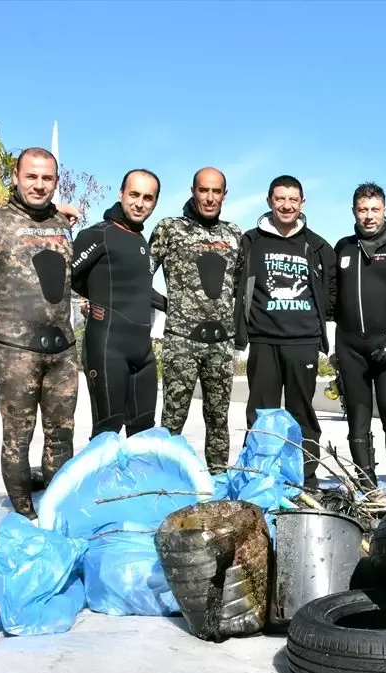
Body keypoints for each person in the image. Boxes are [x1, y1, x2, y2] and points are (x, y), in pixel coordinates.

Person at [0, 147, 78, 519]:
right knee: (18, 437)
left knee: (61, 435)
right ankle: (24, 515)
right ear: (17, 177)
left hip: (64, 350)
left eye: (47, 178)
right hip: (15, 350)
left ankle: (54, 512)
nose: (39, 185)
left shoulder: (64, 223)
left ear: (56, 180)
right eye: (31, 176)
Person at [233, 175, 335, 488]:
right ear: (269, 201)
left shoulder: (317, 246)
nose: (286, 205)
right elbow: (236, 285)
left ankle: (305, 479)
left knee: (301, 414)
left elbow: (331, 291)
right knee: (261, 416)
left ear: (302, 203)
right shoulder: (251, 241)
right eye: (280, 199)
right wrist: (240, 335)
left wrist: (324, 331)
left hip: (303, 343)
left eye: (293, 199)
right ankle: (257, 478)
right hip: (263, 341)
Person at [150, 167, 242, 473]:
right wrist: (169, 306)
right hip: (181, 341)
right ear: (193, 191)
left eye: (216, 191)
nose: (210, 197)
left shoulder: (235, 234)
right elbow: (139, 277)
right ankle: (166, 480)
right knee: (172, 419)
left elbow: (244, 286)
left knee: (219, 419)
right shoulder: (170, 228)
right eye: (204, 190)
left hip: (222, 343)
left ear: (224, 195)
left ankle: (218, 479)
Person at [332, 183, 386, 491]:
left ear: (385, 209)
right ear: (354, 211)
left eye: (374, 209)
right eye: (362, 210)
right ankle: (367, 489)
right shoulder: (342, 247)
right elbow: (330, 296)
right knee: (357, 419)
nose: (369, 216)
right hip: (350, 347)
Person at [70, 169, 167, 438]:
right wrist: (94, 297)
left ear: (155, 202)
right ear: (121, 194)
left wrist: (175, 306)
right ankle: (102, 481)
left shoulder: (140, 241)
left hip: (143, 352)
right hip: (107, 348)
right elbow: (67, 277)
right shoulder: (98, 234)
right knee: (107, 432)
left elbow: (141, 290)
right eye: (134, 194)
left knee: (143, 434)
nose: (140, 203)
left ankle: (139, 481)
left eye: (148, 198)